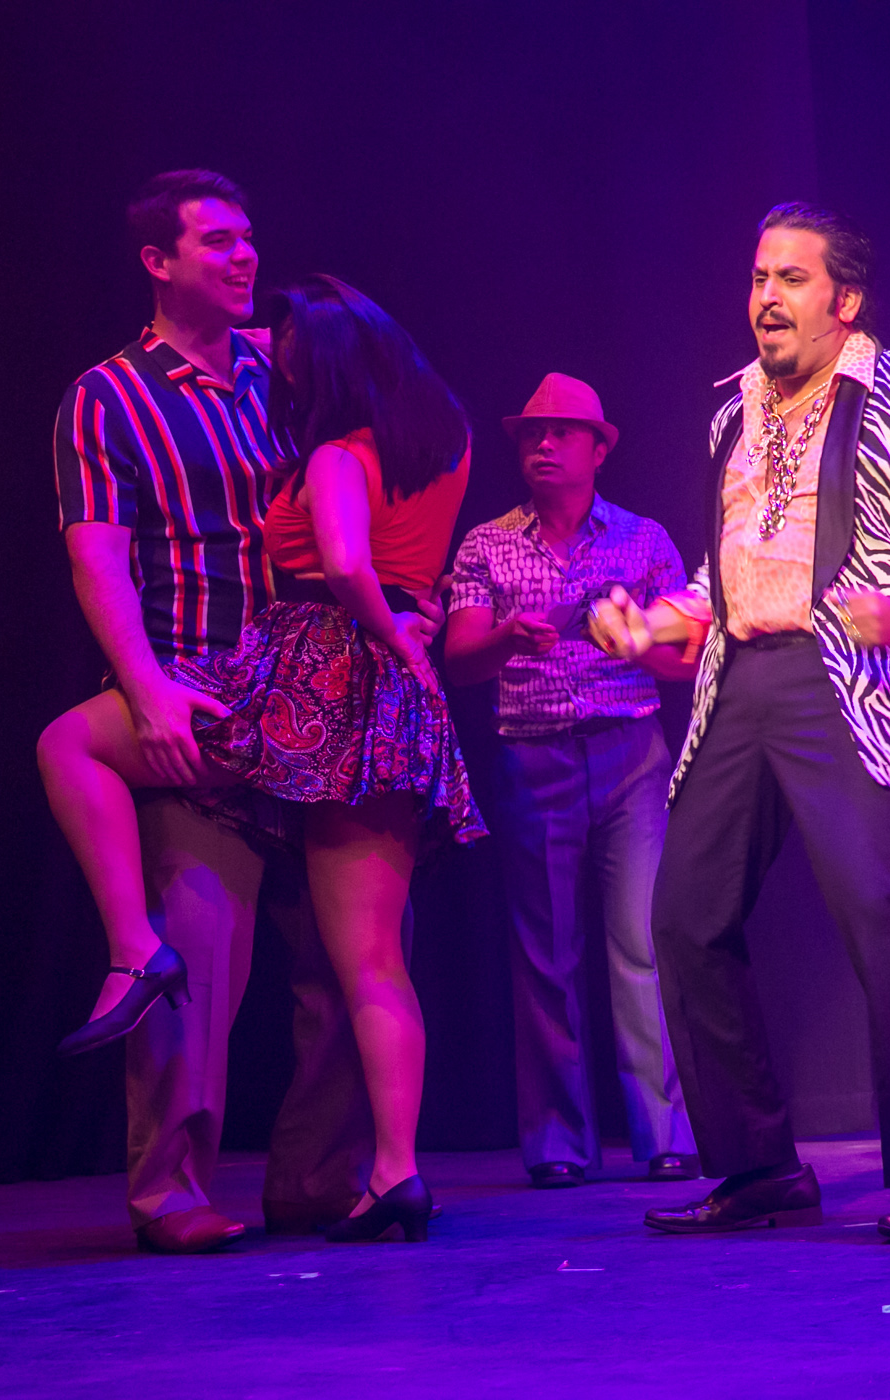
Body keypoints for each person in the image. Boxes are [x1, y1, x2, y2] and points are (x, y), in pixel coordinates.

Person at [589, 202, 890, 1242]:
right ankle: (758, 1167)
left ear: (846, 299)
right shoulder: (731, 413)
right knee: (683, 917)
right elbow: (731, 572)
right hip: (744, 677)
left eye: (791, 278)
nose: (767, 298)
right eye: (758, 278)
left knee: (879, 910)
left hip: (854, 677)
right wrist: (657, 624)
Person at [42, 268, 483, 1247]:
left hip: (305, 684)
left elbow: (345, 561)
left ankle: (134, 950)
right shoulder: (443, 433)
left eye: (291, 356)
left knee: (68, 741)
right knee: (369, 962)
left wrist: (388, 622)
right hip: (384, 706)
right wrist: (413, 625)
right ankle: (392, 1172)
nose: (276, 366)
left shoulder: (333, 447)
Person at [47, 172, 377, 1254]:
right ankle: (171, 1191)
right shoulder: (109, 396)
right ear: (158, 261)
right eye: (219, 242)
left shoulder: (282, 374)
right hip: (202, 695)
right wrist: (144, 689)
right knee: (198, 939)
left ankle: (317, 1179)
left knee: (350, 953)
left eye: (248, 238)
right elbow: (98, 559)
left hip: (314, 698)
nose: (245, 258)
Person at [445, 374, 699, 1189]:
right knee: (546, 956)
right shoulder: (487, 543)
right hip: (534, 757)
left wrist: (636, 643)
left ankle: (664, 1132)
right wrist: (508, 640)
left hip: (630, 753)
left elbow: (686, 659)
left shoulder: (644, 539)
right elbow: (458, 657)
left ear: (598, 449)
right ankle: (558, 1141)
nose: (543, 445)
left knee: (642, 944)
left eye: (560, 432)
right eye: (531, 433)